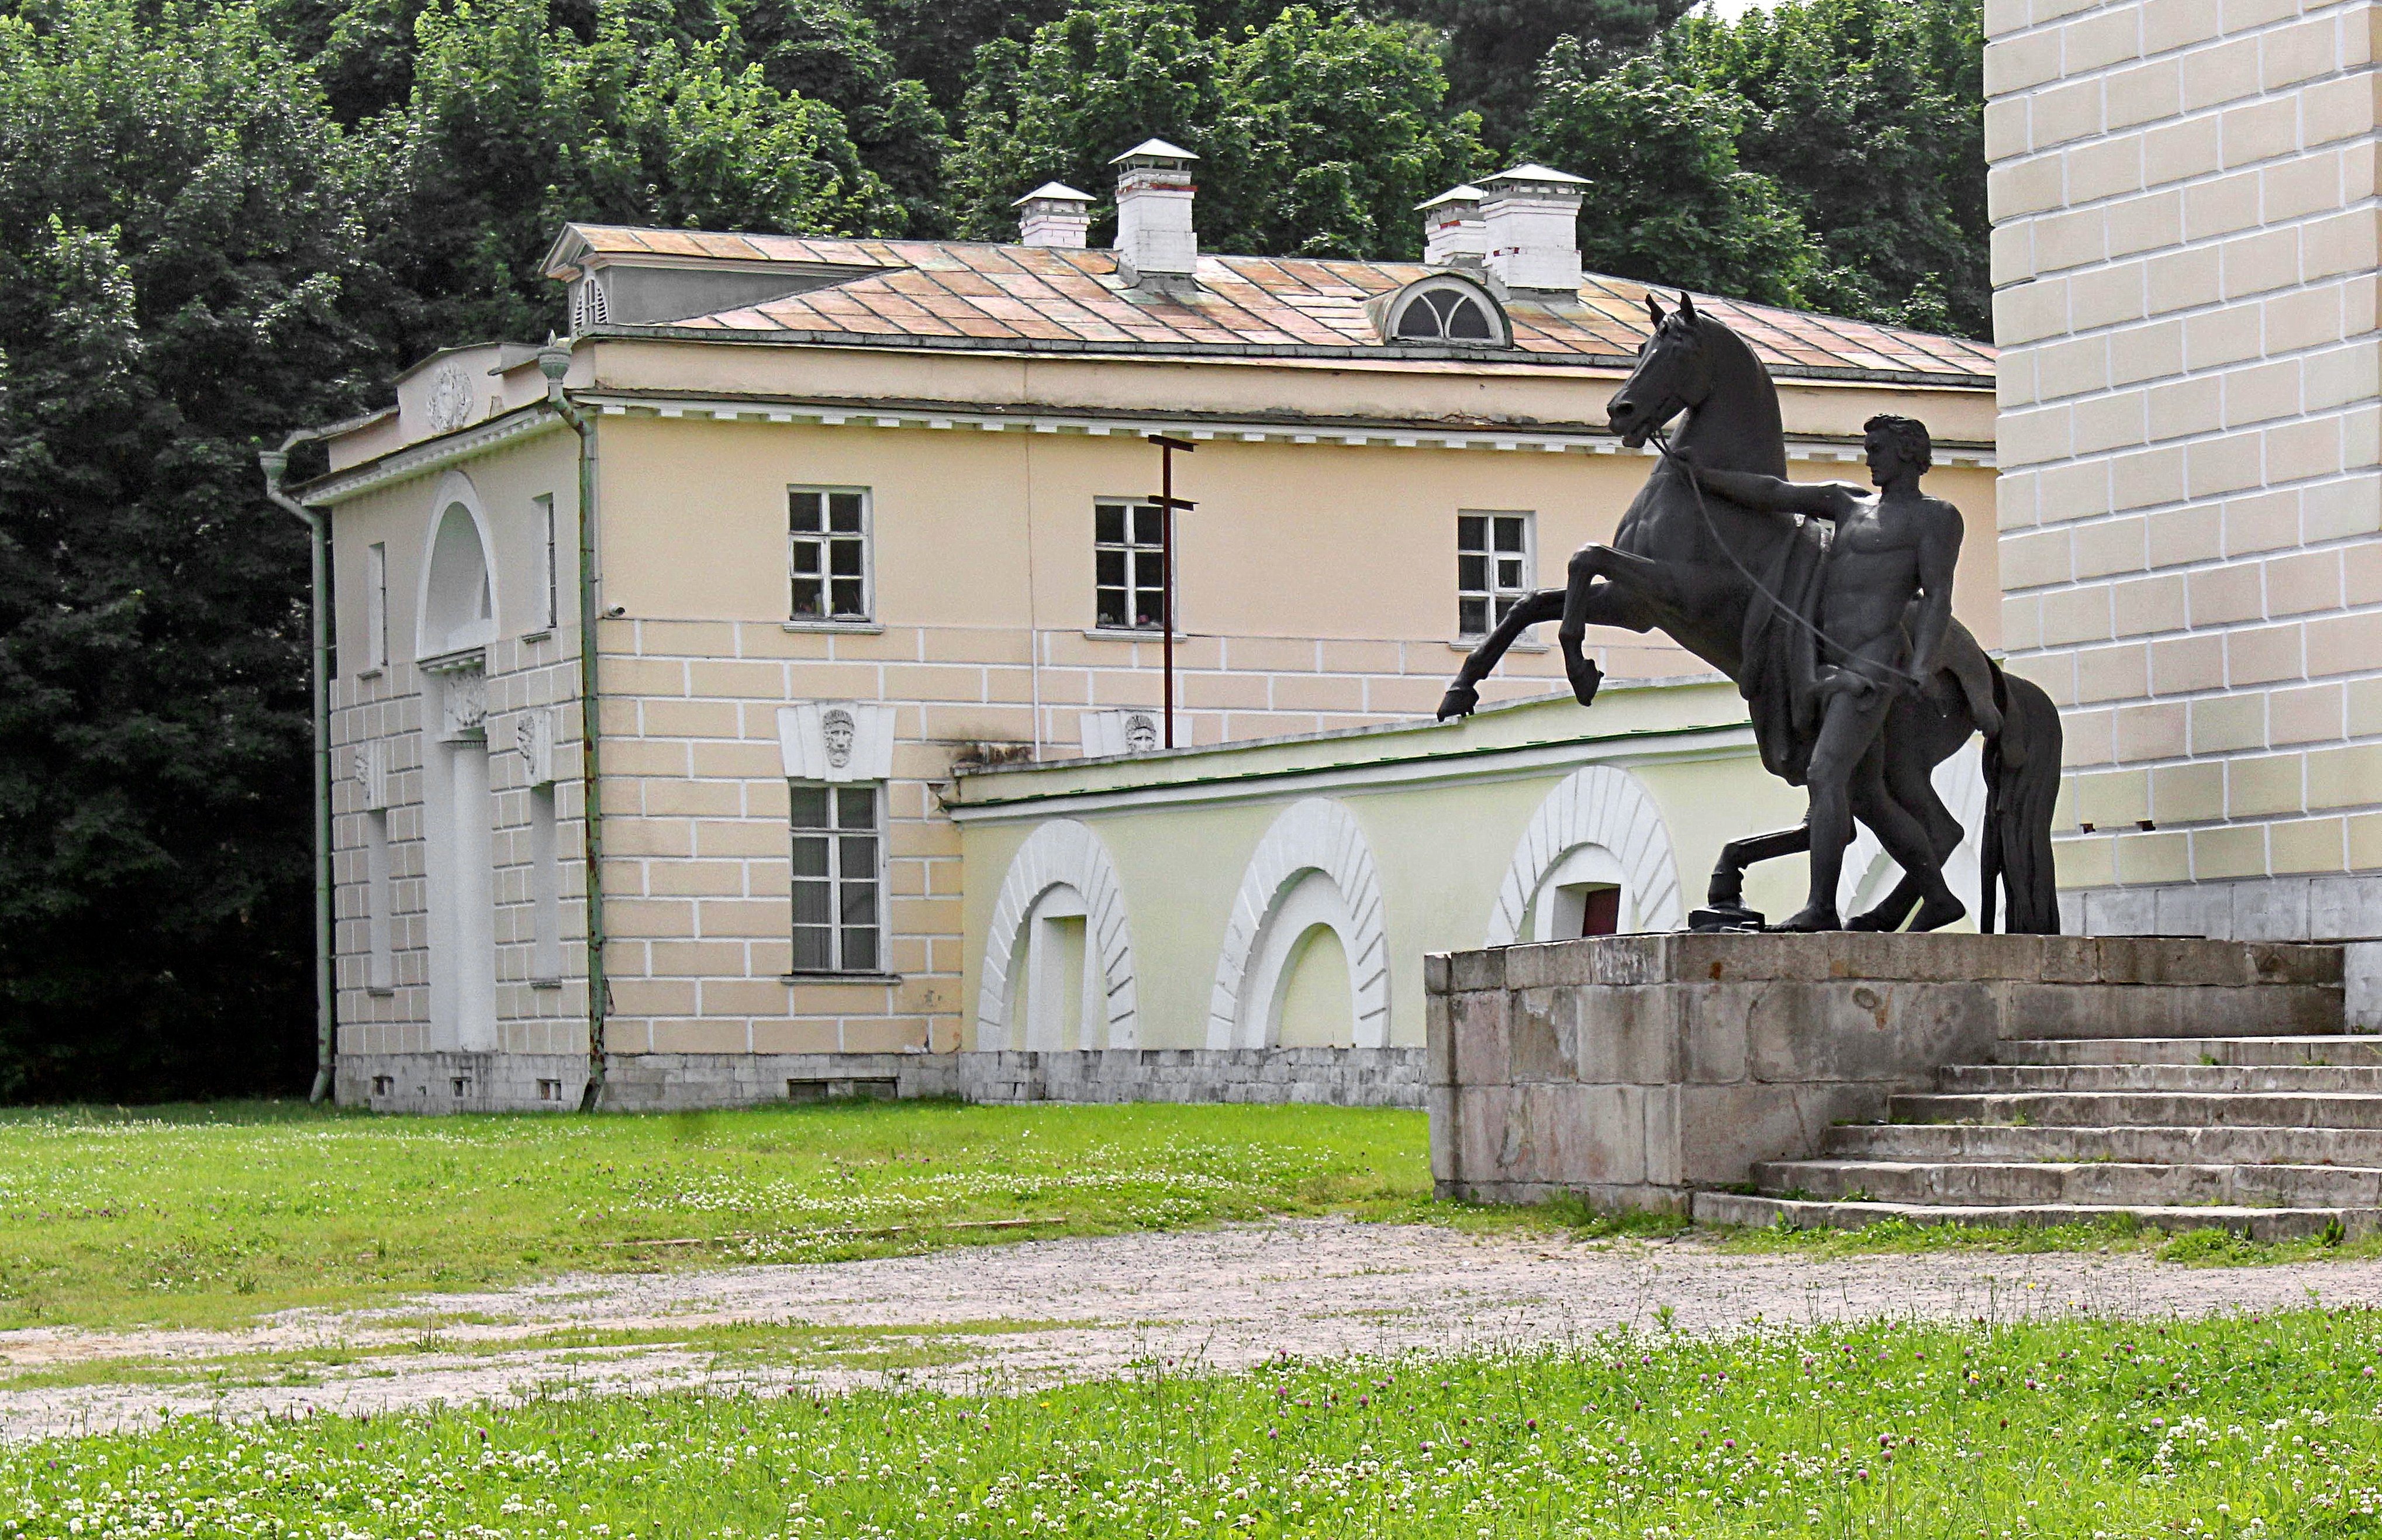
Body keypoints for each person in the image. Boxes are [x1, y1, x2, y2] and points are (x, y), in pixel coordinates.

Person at [1673, 414, 1971, 932]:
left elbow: (1939, 596)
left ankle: (1822, 908)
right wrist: (1704, 477)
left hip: (1875, 661)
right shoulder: (1845, 501)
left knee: (1825, 774)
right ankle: (1939, 898)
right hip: (1829, 657)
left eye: (1877, 448)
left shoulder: (1935, 518)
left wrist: (1922, 665)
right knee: (1870, 797)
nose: (1869, 457)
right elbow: (1773, 493)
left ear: (1906, 453)